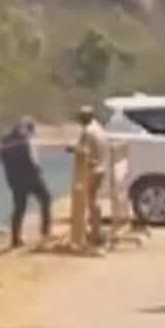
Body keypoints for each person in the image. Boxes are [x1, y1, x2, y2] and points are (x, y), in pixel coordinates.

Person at [0, 116, 51, 248]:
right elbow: (32, 161)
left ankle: (15, 239)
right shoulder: (25, 140)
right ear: (27, 128)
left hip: (15, 181)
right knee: (46, 199)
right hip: (31, 178)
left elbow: (2, 160)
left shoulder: (5, 141)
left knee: (19, 209)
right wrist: (38, 170)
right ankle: (45, 231)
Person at [67, 105, 107, 251]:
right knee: (94, 199)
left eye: (80, 117)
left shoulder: (88, 131)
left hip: (91, 170)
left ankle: (91, 234)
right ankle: (96, 230)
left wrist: (72, 148)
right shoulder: (100, 128)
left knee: (89, 201)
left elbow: (85, 151)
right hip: (101, 167)